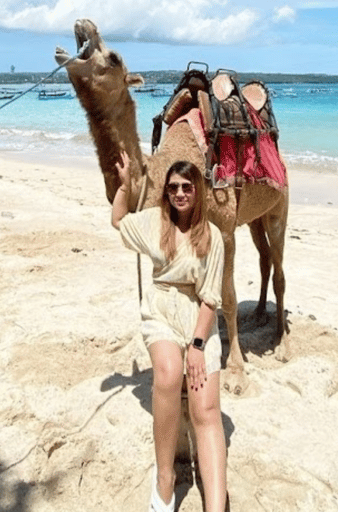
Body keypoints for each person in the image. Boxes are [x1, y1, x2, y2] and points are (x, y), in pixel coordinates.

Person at [111, 151, 228, 512]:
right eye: (174, 187)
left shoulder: (212, 236)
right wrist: (124, 185)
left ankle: (216, 501)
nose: (179, 193)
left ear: (198, 191)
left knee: (205, 407)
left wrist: (197, 344)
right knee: (167, 372)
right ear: (166, 192)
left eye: (187, 187)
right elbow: (118, 220)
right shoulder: (153, 222)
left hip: (197, 316)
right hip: (160, 310)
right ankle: (165, 476)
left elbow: (211, 299)